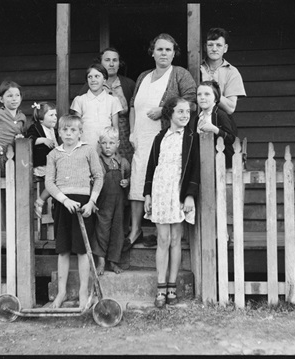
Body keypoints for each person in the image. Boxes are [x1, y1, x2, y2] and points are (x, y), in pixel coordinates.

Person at [124, 33, 197, 251]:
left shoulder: (180, 74)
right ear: (152, 52)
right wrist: (132, 132)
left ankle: (159, 231)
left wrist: (164, 110)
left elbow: (192, 103)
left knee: (163, 181)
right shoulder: (143, 76)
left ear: (174, 53)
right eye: (160, 49)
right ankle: (136, 230)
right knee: (138, 181)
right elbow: (133, 106)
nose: (163, 53)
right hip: (141, 137)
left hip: (164, 137)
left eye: (168, 50)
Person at [143, 97, 200, 308]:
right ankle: (160, 288)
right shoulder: (160, 138)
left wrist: (190, 195)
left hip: (178, 192)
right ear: (170, 114)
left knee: (176, 239)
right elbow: (151, 166)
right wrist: (148, 194)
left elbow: (194, 168)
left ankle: (172, 286)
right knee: (163, 239)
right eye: (180, 111)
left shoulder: (191, 138)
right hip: (160, 191)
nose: (185, 115)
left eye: (187, 112)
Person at [45, 114, 103, 310]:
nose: (68, 134)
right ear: (59, 132)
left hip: (83, 205)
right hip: (63, 204)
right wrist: (64, 200)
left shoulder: (87, 150)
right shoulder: (53, 154)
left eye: (73, 130)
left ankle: (83, 292)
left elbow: (98, 176)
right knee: (63, 250)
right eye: (65, 130)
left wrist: (91, 202)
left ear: (80, 133)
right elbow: (49, 183)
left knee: (82, 250)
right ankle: (61, 292)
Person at [78, 47, 136, 163]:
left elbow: (134, 108)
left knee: (123, 165)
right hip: (98, 133)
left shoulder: (128, 84)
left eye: (115, 60)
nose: (111, 64)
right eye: (107, 60)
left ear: (119, 64)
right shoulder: (90, 85)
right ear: (100, 63)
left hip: (123, 133)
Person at [93, 127, 131, 275]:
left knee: (118, 231)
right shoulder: (97, 161)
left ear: (118, 143)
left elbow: (129, 176)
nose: (107, 146)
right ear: (99, 144)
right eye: (104, 143)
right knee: (101, 231)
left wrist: (127, 181)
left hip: (119, 204)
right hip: (103, 202)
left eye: (111, 143)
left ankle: (114, 261)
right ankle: (101, 261)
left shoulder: (123, 162)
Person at [71, 63, 122, 151]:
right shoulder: (80, 100)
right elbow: (76, 127)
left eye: (97, 76)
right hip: (85, 146)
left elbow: (115, 128)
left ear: (104, 80)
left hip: (105, 148)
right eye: (90, 77)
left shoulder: (112, 101)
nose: (93, 80)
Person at [191, 80, 237, 168]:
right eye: (199, 94)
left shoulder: (221, 115)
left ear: (215, 98)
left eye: (207, 94)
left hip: (220, 163)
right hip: (202, 162)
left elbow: (231, 138)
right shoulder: (198, 117)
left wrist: (214, 129)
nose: (202, 97)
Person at [200, 27, 246, 116]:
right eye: (210, 45)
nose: (214, 49)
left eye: (219, 45)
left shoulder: (232, 72)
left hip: (220, 124)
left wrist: (209, 87)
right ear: (205, 47)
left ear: (225, 48)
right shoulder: (196, 67)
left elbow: (230, 108)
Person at [25, 101, 59, 218]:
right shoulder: (36, 127)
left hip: (52, 164)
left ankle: (51, 203)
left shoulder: (53, 131)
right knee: (54, 182)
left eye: (55, 115)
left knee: (59, 181)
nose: (55, 118)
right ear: (40, 118)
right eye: (51, 115)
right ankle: (40, 201)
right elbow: (29, 138)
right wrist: (43, 140)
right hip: (42, 164)